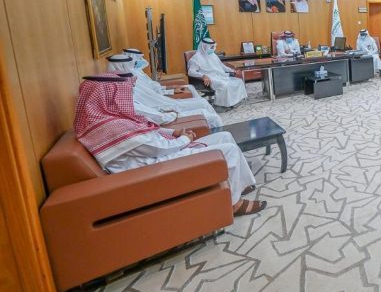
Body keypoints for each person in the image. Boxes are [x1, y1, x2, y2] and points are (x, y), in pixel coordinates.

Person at [73, 75, 265, 216]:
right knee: (228, 151)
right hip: (154, 167)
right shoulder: (111, 127)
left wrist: (172, 133)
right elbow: (158, 148)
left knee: (224, 136)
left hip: (156, 154)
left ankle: (239, 185)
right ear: (108, 97)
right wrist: (185, 140)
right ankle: (234, 204)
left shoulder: (111, 119)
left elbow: (148, 132)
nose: (127, 97)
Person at [107, 54, 222, 128]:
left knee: (202, 102)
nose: (131, 66)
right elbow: (147, 111)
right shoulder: (120, 89)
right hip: (162, 110)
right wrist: (169, 111)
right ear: (121, 66)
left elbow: (152, 90)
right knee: (206, 110)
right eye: (128, 64)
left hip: (162, 106)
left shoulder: (131, 78)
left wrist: (171, 91)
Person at [187, 39, 247, 107]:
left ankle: (234, 102)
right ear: (204, 47)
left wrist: (233, 71)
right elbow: (190, 72)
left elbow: (222, 66)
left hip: (219, 75)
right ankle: (221, 105)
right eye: (211, 47)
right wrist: (203, 75)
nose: (213, 49)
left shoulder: (213, 55)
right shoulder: (196, 58)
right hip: (209, 78)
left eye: (213, 47)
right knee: (224, 85)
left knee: (238, 81)